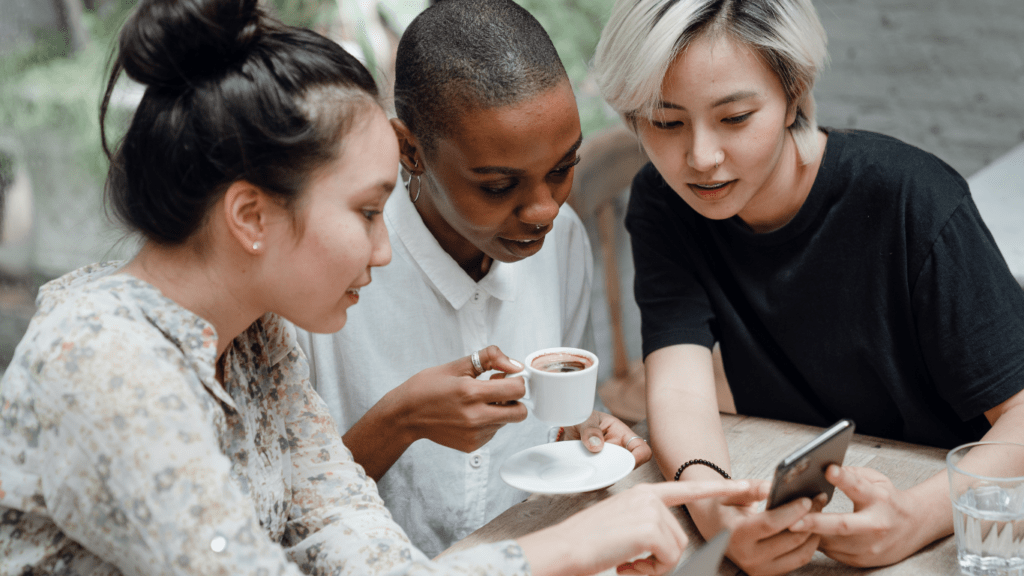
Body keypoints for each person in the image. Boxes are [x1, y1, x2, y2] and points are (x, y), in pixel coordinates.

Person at [0, 0, 768, 574]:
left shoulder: (255, 339)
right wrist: (557, 551)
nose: (385, 247)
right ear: (250, 214)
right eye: (369, 211)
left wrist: (578, 541)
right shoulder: (103, 361)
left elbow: (345, 534)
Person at [591, 0, 1024, 574]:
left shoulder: (910, 197)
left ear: (793, 92)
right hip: (798, 492)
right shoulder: (664, 202)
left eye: (736, 116)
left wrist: (913, 520)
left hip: (965, 519)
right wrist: (717, 511)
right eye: (665, 122)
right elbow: (678, 391)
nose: (700, 158)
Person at [295, 0, 651, 558]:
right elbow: (279, 520)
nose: (543, 211)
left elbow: (558, 432)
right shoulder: (328, 276)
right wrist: (399, 422)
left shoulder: (563, 246)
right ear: (409, 149)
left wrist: (584, 431)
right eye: (497, 186)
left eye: (562, 169)